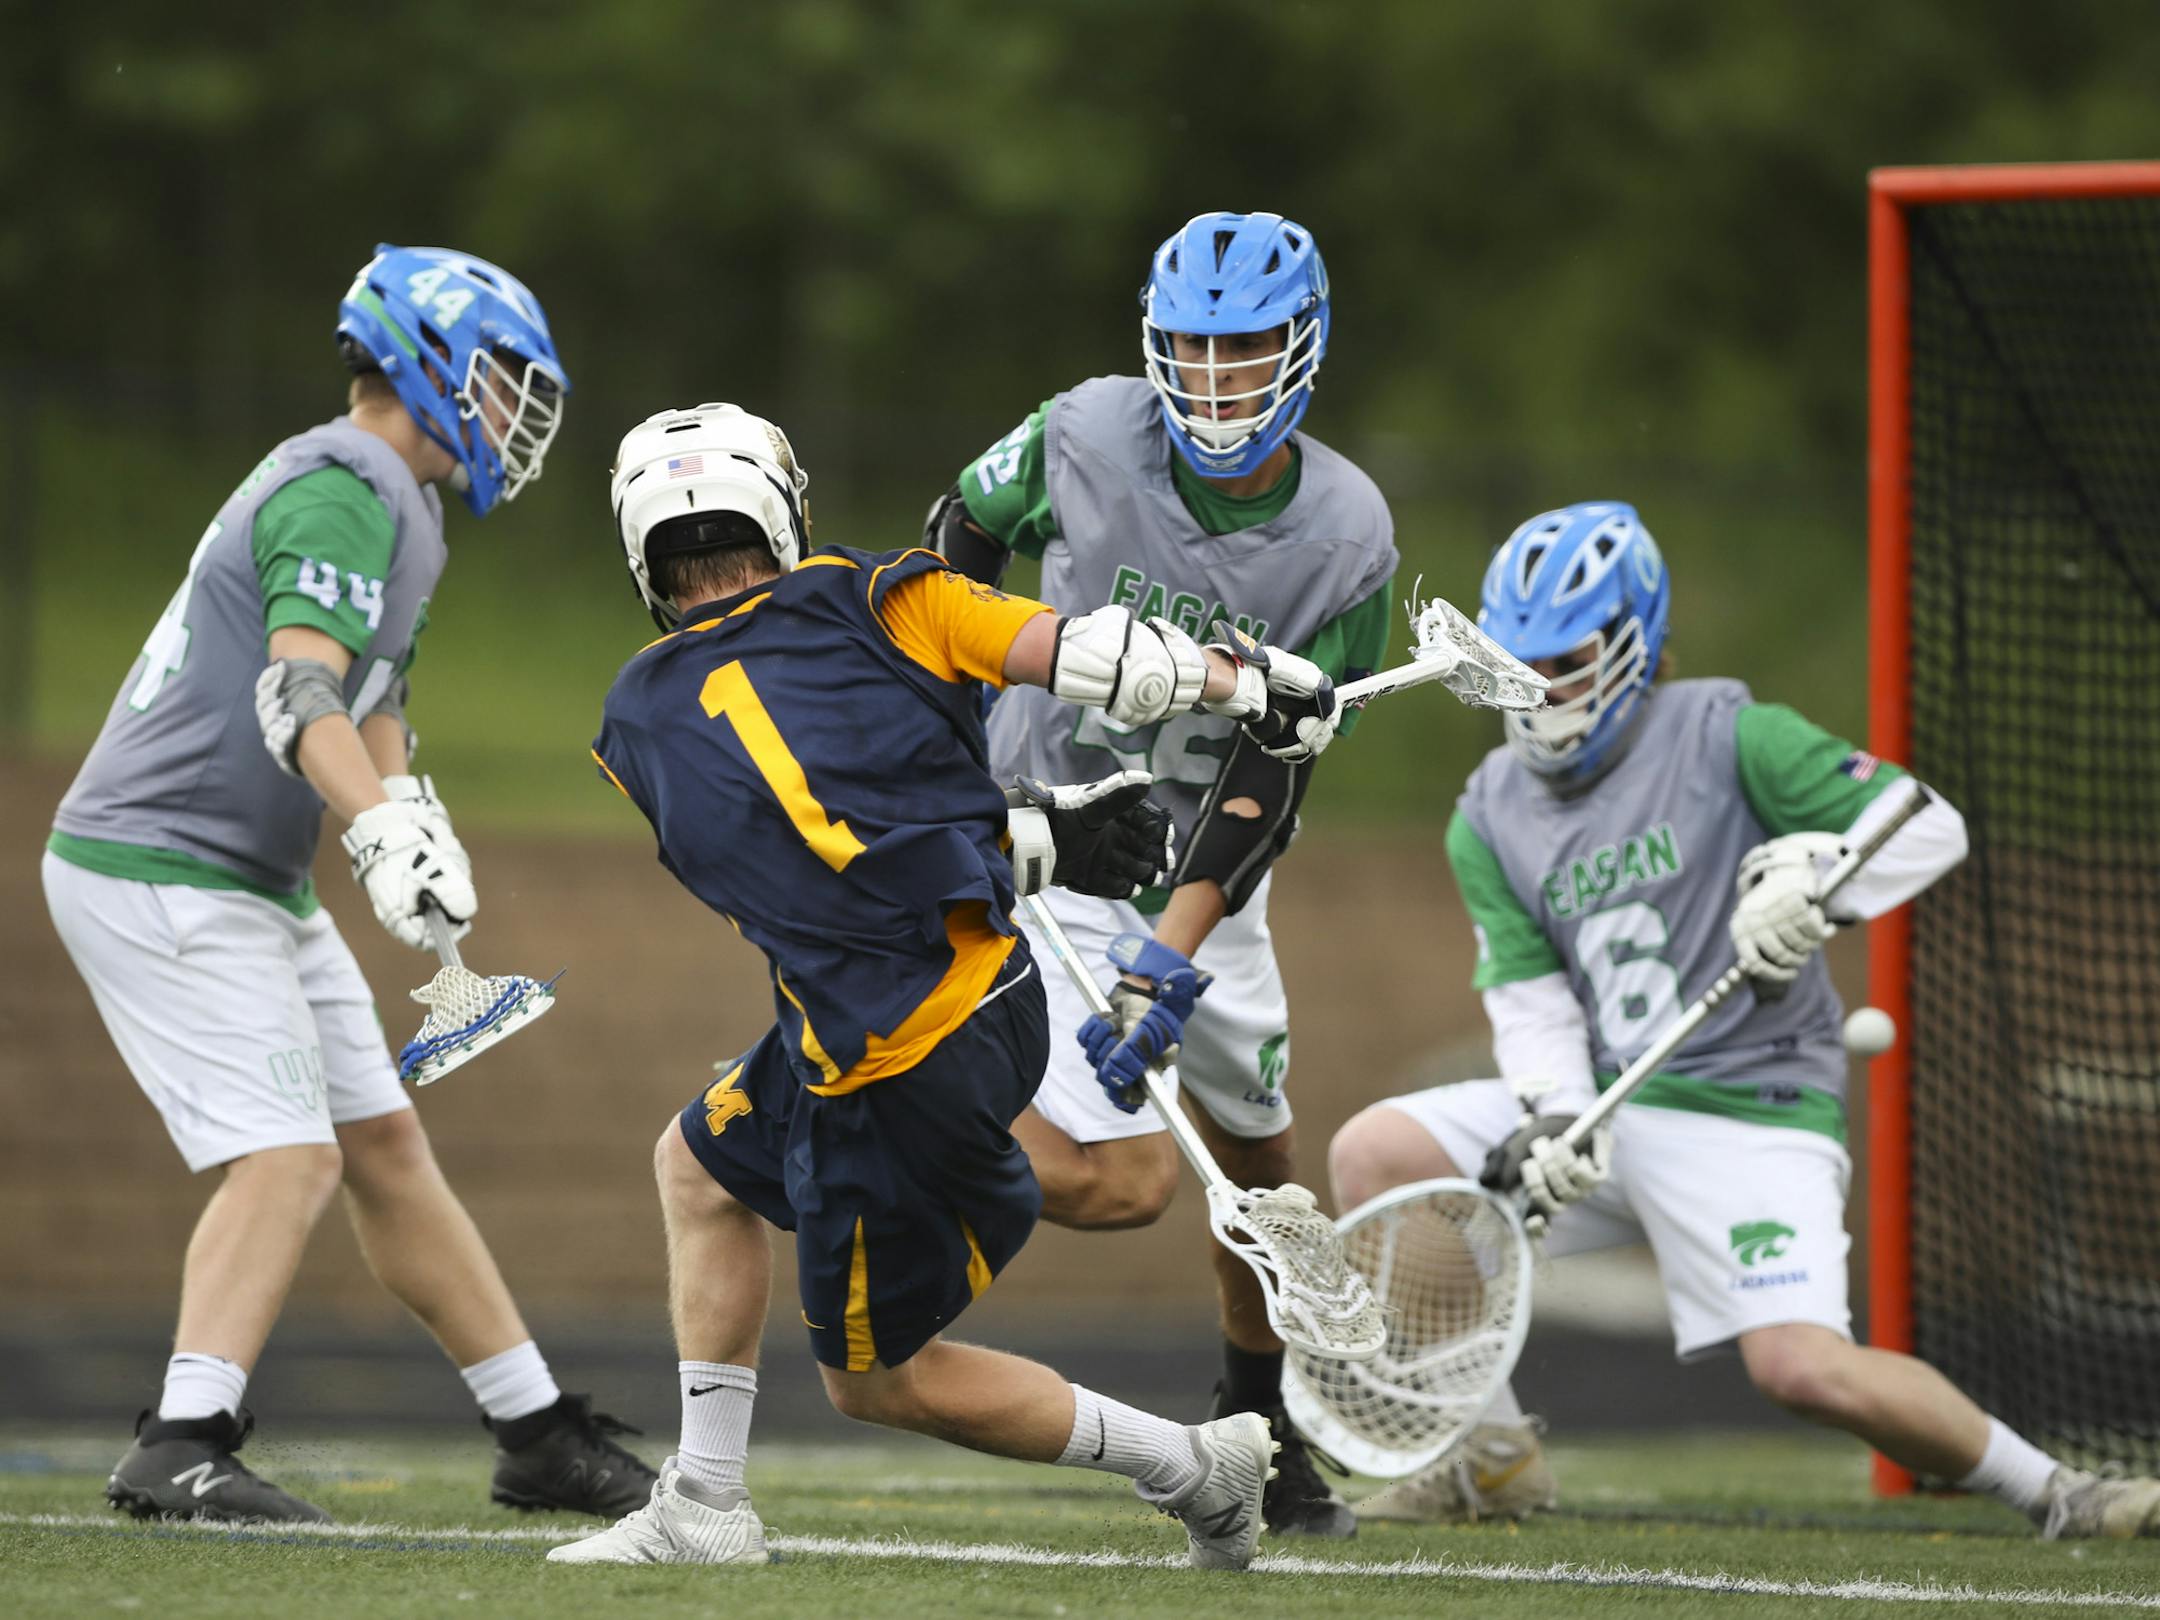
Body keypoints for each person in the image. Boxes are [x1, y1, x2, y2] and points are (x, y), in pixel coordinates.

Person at [550, 401, 1342, 1569]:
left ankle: (1196, 1469)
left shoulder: (638, 721)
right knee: (698, 1167)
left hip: (894, 1055)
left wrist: (1030, 837)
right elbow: (1097, 656)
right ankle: (705, 1500)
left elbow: (802, 859)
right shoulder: (890, 593)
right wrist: (1254, 684)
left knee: (882, 1384)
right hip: (947, 1008)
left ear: (640, 554)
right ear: (784, 507)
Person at [1327, 500, 2160, 1539]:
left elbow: (1927, 824)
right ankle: (1489, 1460)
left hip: (1749, 1108)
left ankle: (2061, 1493)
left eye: (1566, 660)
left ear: (1633, 645)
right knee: (1377, 1154)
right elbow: (1529, 995)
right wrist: (1556, 1115)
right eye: (1517, 661)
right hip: (1612, 1108)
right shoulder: (1488, 810)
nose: (1537, 689)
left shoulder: (1730, 733)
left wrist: (1818, 877)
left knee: (1804, 1372)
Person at [42, 245, 657, 1525]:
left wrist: (407, 801)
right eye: (496, 382)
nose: (512, 413)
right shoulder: (343, 484)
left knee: (384, 1147)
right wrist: (375, 826)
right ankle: (180, 1442)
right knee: (289, 1159)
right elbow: (298, 689)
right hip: (160, 861)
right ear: (425, 364)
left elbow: (373, 698)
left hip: (246, 871)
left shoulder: (403, 505)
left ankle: (535, 1432)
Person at [925, 210, 1397, 1538]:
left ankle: (1266, 1429)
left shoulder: (1349, 536)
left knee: (1258, 1169)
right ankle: (884, 1121)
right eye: (1189, 347)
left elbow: (1275, 771)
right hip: (1057, 839)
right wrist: (968, 710)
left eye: (1244, 350)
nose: (1212, 378)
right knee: (1118, 1180)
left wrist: (1175, 944)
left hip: (1207, 863)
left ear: (1300, 353)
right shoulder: (1085, 429)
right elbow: (960, 532)